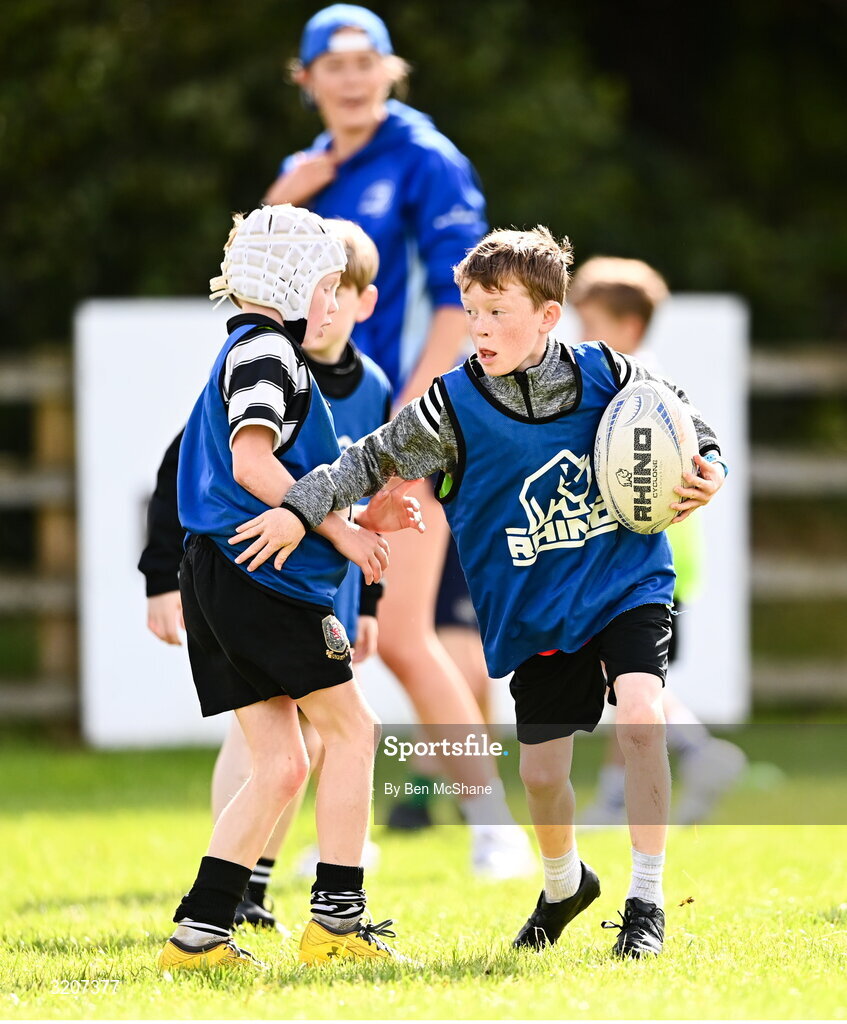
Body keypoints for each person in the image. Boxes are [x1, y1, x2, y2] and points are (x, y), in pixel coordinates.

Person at [228, 226, 728, 959]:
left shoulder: (609, 375)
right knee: (542, 776)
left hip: (626, 582)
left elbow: (688, 424)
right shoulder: (452, 407)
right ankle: (563, 885)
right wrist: (296, 508)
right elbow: (363, 463)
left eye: (499, 312)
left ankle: (644, 902)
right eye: (472, 311)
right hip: (535, 610)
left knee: (641, 708)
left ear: (548, 316)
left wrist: (708, 464)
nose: (481, 328)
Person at [264, 3, 533, 875]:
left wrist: (410, 425)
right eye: (330, 64)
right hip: (316, 429)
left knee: (408, 637)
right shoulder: (303, 173)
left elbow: (467, 298)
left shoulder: (425, 159)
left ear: (390, 71)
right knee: (311, 640)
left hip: (397, 425)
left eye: (363, 61)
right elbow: (258, 299)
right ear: (304, 79)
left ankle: (493, 829)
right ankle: (335, 844)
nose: (348, 77)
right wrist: (277, 205)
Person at [156, 204, 423, 973]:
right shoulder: (269, 353)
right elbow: (253, 464)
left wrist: (360, 512)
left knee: (281, 764)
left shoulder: (245, 347)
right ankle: (337, 926)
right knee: (353, 732)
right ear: (306, 283)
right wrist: (340, 531)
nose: (332, 301)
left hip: (217, 573)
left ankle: (199, 936)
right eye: (328, 283)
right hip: (258, 577)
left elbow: (277, 470)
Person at [568, 257, 746, 827]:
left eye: (590, 321)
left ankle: (698, 753)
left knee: (626, 676)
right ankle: (622, 791)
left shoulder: (636, 390)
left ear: (629, 328)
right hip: (649, 558)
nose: (580, 336)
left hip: (650, 558)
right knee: (624, 680)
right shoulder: (631, 379)